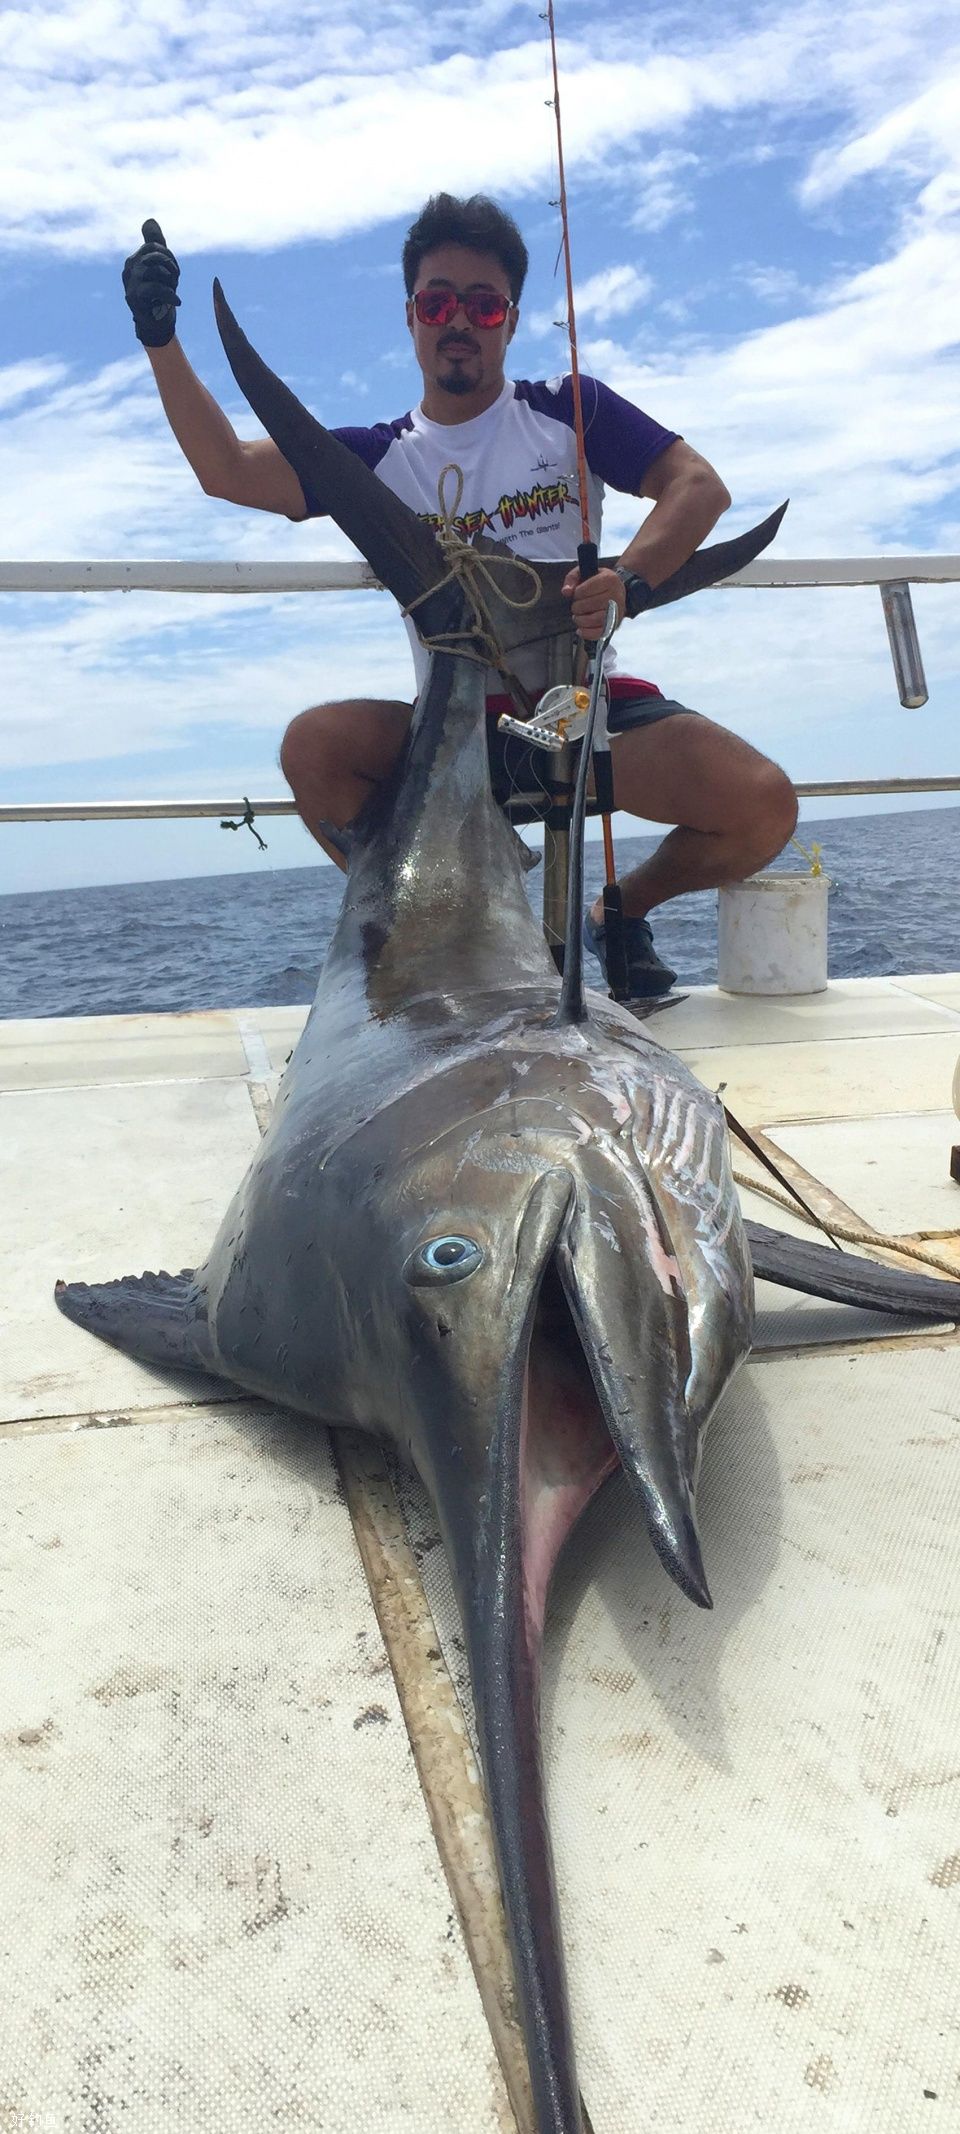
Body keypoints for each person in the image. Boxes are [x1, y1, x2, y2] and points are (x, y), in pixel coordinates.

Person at [122, 195, 797, 999]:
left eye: (484, 305)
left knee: (763, 806)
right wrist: (160, 339)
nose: (460, 321)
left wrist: (631, 582)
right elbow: (226, 469)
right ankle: (465, 919)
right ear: (411, 316)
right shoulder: (376, 457)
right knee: (314, 747)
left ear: (510, 321)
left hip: (584, 710)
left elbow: (696, 485)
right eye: (439, 301)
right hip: (455, 730)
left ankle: (616, 912)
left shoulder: (570, 409)